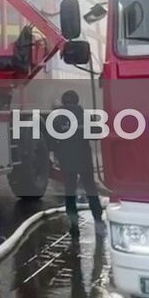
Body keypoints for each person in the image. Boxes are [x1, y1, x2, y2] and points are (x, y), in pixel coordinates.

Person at [48, 90, 105, 230]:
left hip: (66, 159)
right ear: (77, 101)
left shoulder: (57, 118)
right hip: (84, 158)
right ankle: (98, 221)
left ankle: (74, 225)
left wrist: (57, 154)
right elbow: (97, 134)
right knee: (91, 189)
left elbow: (51, 140)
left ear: (62, 102)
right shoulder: (84, 115)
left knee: (70, 191)